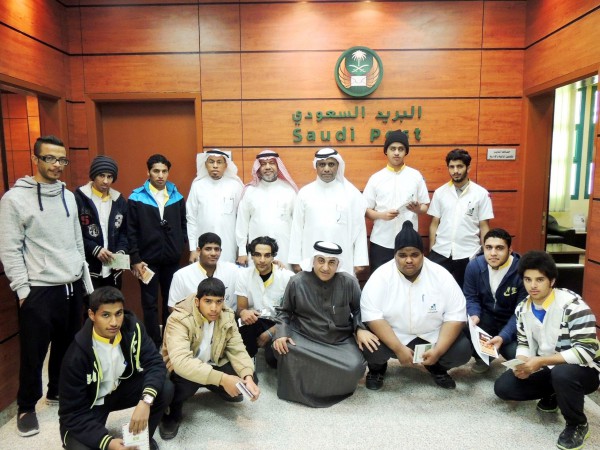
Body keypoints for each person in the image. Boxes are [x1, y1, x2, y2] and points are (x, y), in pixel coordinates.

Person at [0, 135, 90, 437]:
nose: (57, 165)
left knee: (69, 347)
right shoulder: (14, 199)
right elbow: (10, 249)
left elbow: (77, 240)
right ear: (35, 159)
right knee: (33, 353)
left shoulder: (68, 196)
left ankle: (57, 391)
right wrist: (23, 290)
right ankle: (26, 407)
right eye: (50, 158)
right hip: (39, 288)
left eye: (62, 159)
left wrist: (83, 280)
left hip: (71, 284)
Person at [494, 251, 600, 450]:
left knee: (562, 374)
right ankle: (555, 393)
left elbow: (587, 351)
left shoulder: (573, 306)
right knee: (504, 387)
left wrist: (540, 362)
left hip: (584, 370)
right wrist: (522, 363)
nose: (533, 285)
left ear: (551, 281)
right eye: (528, 279)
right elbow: (523, 342)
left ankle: (577, 424)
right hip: (548, 366)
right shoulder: (522, 308)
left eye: (540, 279)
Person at [361, 221, 471, 390]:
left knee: (462, 350)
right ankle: (377, 369)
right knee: (369, 344)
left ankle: (437, 366)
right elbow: (373, 317)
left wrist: (439, 351)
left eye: (414, 254)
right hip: (393, 337)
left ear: (423, 254)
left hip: (432, 336)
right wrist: (398, 348)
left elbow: (455, 316)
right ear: (394, 255)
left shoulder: (441, 275)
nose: (409, 260)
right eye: (402, 255)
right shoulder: (380, 276)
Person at [59, 287, 172, 450]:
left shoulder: (133, 328)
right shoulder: (76, 356)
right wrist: (108, 442)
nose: (114, 322)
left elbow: (155, 363)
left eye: (118, 313)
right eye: (106, 315)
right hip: (92, 404)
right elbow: (72, 413)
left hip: (120, 389)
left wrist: (146, 401)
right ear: (92, 315)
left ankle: (141, 440)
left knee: (164, 388)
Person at [273, 241, 378, 407]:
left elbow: (359, 309)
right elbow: (284, 311)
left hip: (338, 340)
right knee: (285, 349)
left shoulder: (349, 282)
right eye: (321, 261)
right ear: (313, 261)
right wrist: (282, 334)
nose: (325, 268)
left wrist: (359, 328)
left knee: (355, 367)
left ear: (338, 264)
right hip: (305, 337)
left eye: (331, 262)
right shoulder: (297, 282)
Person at [160, 277, 260, 440]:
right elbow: (181, 362)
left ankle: (216, 386)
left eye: (219, 302)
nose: (214, 308)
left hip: (213, 363)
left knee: (249, 378)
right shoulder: (179, 318)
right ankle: (171, 413)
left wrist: (247, 376)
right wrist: (223, 379)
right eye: (208, 301)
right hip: (184, 369)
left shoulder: (227, 315)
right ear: (197, 301)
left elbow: (237, 349)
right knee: (173, 389)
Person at [128, 154, 187, 347]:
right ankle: (153, 342)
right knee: (149, 303)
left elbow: (183, 224)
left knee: (171, 301)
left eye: (164, 171)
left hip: (171, 259)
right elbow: (131, 230)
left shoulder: (177, 196)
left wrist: (179, 244)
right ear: (148, 172)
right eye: (156, 171)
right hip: (147, 261)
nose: (160, 175)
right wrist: (135, 258)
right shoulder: (136, 197)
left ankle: (169, 341)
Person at [288, 148, 368, 276]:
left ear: (338, 166)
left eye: (331, 164)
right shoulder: (305, 193)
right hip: (310, 258)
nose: (326, 169)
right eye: (322, 164)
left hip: (343, 259)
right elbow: (297, 228)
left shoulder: (351, 194)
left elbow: (360, 228)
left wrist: (360, 260)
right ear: (316, 166)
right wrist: (295, 260)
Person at [363, 130, 429, 272]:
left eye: (401, 149)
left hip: (409, 243)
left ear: (406, 152)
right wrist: (382, 215)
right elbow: (366, 210)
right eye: (393, 149)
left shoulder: (415, 176)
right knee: (380, 281)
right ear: (386, 151)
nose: (397, 153)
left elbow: (425, 207)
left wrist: (417, 209)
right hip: (381, 241)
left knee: (408, 280)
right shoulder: (376, 178)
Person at [463, 228, 527, 373]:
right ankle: (482, 358)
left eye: (499, 248)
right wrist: (474, 314)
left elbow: (521, 312)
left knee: (516, 357)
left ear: (510, 250)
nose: (493, 253)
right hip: (486, 318)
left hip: (511, 321)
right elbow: (470, 297)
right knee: (463, 326)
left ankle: (500, 346)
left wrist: (504, 336)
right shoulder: (474, 266)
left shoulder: (522, 271)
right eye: (488, 247)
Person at [428, 148, 494, 288]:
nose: (455, 171)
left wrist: (486, 252)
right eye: (452, 167)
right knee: (435, 290)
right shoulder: (440, 193)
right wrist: (432, 249)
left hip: (469, 252)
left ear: (468, 168)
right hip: (441, 251)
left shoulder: (481, 194)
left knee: (467, 292)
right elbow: (434, 223)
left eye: (460, 166)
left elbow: (484, 226)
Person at [235, 236, 294, 366]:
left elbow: (295, 315)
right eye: (257, 255)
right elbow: (240, 308)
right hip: (256, 320)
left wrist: (271, 332)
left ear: (273, 257)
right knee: (241, 323)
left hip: (279, 323)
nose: (262, 260)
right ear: (251, 256)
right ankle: (247, 365)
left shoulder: (287, 277)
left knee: (272, 359)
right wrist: (243, 312)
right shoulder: (244, 275)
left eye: (267, 255)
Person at [235, 150, 298, 267]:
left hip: (285, 250)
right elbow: (242, 223)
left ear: (278, 166)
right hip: (258, 253)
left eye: (271, 163)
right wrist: (242, 252)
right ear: (258, 168)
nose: (268, 167)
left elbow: (297, 225)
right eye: (263, 164)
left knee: (284, 277)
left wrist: (296, 256)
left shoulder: (289, 190)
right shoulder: (250, 191)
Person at [75, 155, 128, 289]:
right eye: (101, 175)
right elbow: (74, 233)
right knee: (91, 302)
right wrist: (94, 249)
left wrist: (121, 252)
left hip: (113, 270)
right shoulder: (79, 198)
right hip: (89, 268)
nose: (105, 181)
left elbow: (124, 232)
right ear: (93, 176)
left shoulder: (119, 200)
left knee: (113, 300)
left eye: (110, 177)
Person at [187, 150, 243, 263]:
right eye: (211, 162)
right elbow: (191, 218)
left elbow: (242, 219)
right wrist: (193, 248)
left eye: (219, 162)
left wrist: (242, 250)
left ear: (226, 165)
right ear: (205, 164)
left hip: (228, 244)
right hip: (203, 244)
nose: (215, 166)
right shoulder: (197, 185)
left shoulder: (235, 186)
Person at [167, 232, 239, 310]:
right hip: (191, 317)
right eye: (208, 249)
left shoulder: (232, 271)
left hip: (225, 317)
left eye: (216, 249)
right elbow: (173, 307)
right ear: (198, 251)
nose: (213, 253)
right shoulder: (181, 275)